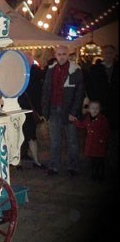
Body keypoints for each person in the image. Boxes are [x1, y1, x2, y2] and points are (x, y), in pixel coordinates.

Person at [41, 45, 85, 176]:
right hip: (54, 110)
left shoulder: (75, 70)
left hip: (68, 110)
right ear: (55, 55)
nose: (61, 56)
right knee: (54, 140)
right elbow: (46, 91)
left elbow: (79, 93)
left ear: (68, 54)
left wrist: (74, 112)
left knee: (72, 141)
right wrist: (45, 111)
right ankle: (54, 166)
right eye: (59, 54)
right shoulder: (51, 70)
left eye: (64, 54)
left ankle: (73, 166)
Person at [84, 44, 118, 174]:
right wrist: (94, 105)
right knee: (98, 136)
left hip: (115, 109)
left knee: (114, 136)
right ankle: (98, 164)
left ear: (114, 54)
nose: (108, 55)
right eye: (106, 53)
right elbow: (90, 87)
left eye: (110, 53)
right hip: (100, 108)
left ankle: (113, 162)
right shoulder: (96, 69)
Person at [17, 53, 45, 169]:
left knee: (31, 135)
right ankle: (19, 161)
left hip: (28, 108)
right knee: (19, 135)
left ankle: (35, 160)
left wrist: (40, 111)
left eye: (29, 59)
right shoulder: (18, 72)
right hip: (19, 108)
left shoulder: (35, 72)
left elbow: (39, 93)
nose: (27, 61)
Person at [69, 100, 110, 181]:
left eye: (97, 108)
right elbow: (82, 125)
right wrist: (74, 120)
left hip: (99, 144)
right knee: (93, 161)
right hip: (91, 144)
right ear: (89, 109)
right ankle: (94, 175)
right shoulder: (87, 118)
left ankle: (101, 175)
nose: (94, 110)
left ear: (99, 109)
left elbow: (107, 131)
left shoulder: (102, 119)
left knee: (100, 161)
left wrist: (103, 140)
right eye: (92, 108)